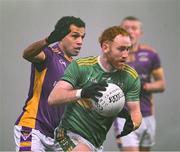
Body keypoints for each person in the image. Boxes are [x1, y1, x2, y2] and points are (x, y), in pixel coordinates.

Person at [48, 26, 142, 152]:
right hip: (69, 134)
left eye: (128, 49)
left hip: (95, 143)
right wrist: (82, 92)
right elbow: (53, 98)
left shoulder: (131, 77)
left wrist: (133, 124)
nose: (125, 55)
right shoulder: (82, 67)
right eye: (120, 49)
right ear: (105, 47)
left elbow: (135, 111)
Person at [14, 16, 86, 151]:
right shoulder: (48, 54)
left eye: (82, 37)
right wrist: (48, 40)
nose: (80, 41)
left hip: (58, 136)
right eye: (75, 36)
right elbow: (27, 54)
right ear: (62, 35)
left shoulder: (76, 67)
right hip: (33, 127)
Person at [113, 16, 166, 152]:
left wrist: (144, 86)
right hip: (124, 117)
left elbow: (161, 84)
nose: (130, 31)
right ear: (120, 31)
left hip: (147, 115)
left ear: (140, 32)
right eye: (126, 28)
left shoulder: (150, 54)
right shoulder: (113, 55)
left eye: (134, 28)